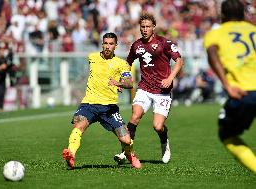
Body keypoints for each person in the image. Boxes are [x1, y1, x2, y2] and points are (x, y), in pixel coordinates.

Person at [62, 32, 142, 169]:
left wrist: (118, 83)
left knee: (126, 140)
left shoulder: (121, 64)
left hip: (109, 107)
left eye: (111, 44)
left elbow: (129, 84)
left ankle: (131, 155)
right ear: (102, 44)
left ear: (115, 46)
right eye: (105, 43)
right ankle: (71, 154)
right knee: (78, 125)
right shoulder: (92, 57)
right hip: (89, 104)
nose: (107, 46)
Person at [114, 13, 184, 164]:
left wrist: (170, 78)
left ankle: (165, 143)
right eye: (142, 27)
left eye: (147, 26)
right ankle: (125, 152)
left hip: (162, 92)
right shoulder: (136, 45)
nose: (144, 29)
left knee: (158, 126)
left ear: (153, 27)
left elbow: (178, 60)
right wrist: (122, 80)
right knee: (134, 117)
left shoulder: (164, 42)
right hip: (144, 88)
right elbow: (128, 63)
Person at [204, 0, 256, 173]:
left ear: (223, 15)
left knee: (227, 134)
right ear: (243, 14)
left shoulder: (217, 33)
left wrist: (226, 84)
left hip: (244, 92)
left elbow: (212, 52)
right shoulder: (253, 30)